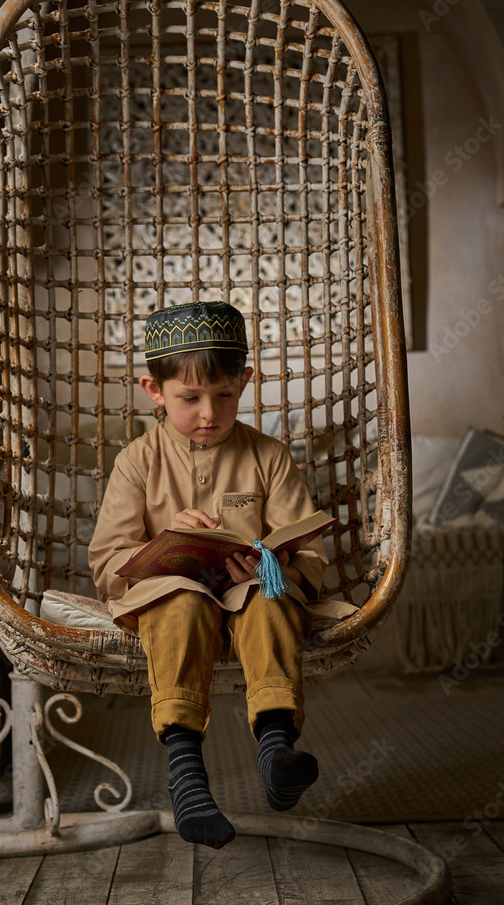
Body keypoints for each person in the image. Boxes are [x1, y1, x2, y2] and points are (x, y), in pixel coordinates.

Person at [88, 300, 328, 850]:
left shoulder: (268, 455)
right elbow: (107, 561)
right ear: (154, 390)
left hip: (250, 591)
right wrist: (163, 543)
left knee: (270, 600)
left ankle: (276, 749)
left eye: (224, 396)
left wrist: (279, 561)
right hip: (171, 598)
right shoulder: (137, 461)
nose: (209, 414)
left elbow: (308, 547)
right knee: (183, 601)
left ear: (245, 381)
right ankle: (187, 771)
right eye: (188, 399)